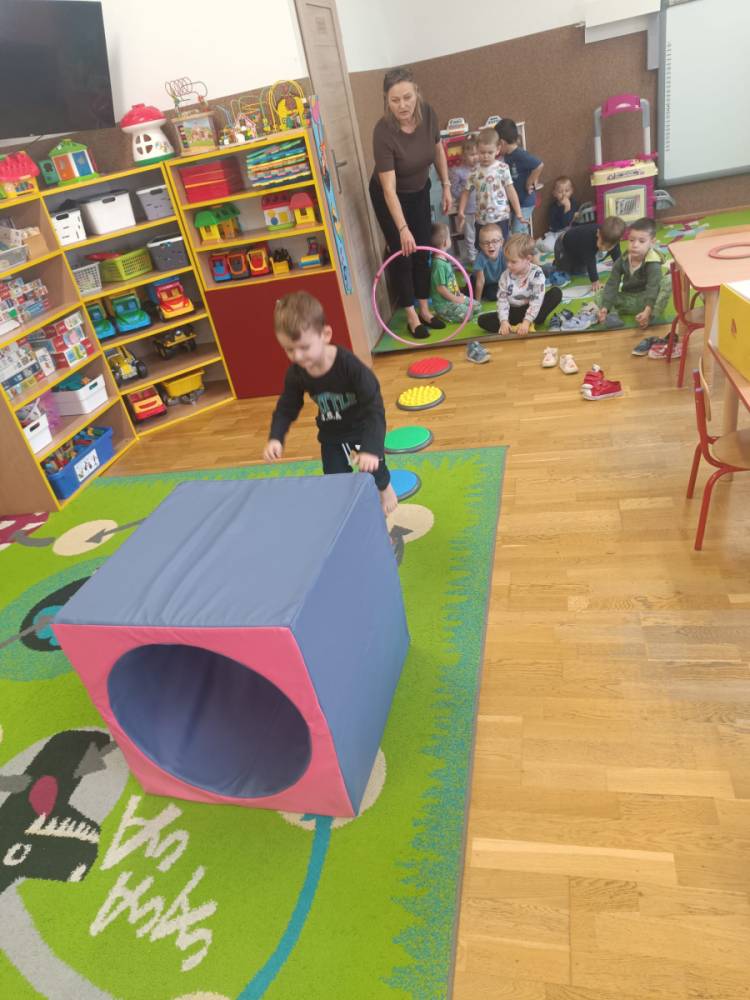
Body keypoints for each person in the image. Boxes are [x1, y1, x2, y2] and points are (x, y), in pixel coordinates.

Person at [263, 291, 398, 517]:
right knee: (334, 477)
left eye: (304, 347)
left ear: (325, 334)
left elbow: (374, 408)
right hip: (331, 432)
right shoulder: (297, 373)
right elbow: (287, 406)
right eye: (289, 349)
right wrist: (276, 437)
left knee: (373, 465)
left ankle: (385, 489)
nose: (297, 356)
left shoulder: (350, 367)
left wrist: (371, 449)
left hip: (362, 427)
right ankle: (348, 506)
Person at [369, 66, 452, 340]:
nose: (402, 105)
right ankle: (411, 315)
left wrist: (446, 185)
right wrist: (402, 229)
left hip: (419, 190)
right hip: (390, 196)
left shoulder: (428, 113)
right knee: (403, 251)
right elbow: (388, 189)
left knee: (423, 248)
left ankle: (425, 308)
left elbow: (438, 149)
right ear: (386, 100)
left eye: (407, 97)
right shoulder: (383, 132)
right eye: (394, 100)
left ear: (416, 93)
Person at [477, 233, 562, 335]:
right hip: (514, 311)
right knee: (482, 320)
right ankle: (517, 324)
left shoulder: (536, 273)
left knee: (556, 293)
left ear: (528, 259)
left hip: (533, 308)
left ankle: (532, 320)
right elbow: (502, 300)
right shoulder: (505, 275)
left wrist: (527, 321)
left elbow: (537, 300)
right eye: (507, 260)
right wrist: (504, 321)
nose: (508, 265)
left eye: (513, 262)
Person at [596, 217, 671, 330]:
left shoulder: (653, 263)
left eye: (641, 241)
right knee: (600, 293)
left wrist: (648, 310)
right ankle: (612, 316)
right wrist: (605, 308)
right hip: (627, 300)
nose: (635, 245)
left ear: (652, 242)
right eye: (631, 240)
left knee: (668, 280)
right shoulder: (622, 260)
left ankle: (650, 316)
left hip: (646, 301)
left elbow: (653, 288)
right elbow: (612, 283)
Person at [456, 128, 524, 244]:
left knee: (501, 245)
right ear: (477, 150)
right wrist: (461, 211)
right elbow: (466, 192)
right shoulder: (474, 172)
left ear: (497, 150)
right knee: (483, 245)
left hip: (501, 216)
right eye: (482, 152)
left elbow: (510, 190)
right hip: (482, 218)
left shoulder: (502, 168)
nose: (486, 156)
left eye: (490, 152)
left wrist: (518, 212)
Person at [495, 119, 543, 234]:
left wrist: (529, 182)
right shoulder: (507, 155)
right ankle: (525, 244)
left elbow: (539, 165)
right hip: (517, 202)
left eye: (497, 145)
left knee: (518, 230)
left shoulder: (520, 154)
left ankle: (525, 245)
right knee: (518, 230)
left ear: (502, 142)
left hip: (525, 201)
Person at [552, 216, 625, 291]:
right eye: (601, 243)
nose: (603, 248)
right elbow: (590, 261)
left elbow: (617, 258)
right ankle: (554, 266)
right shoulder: (588, 238)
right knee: (563, 274)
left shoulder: (613, 241)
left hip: (580, 251)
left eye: (607, 247)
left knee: (579, 271)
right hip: (564, 247)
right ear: (598, 233)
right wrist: (595, 280)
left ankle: (567, 264)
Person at [430, 222, 481, 324]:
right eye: (449, 237)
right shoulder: (439, 264)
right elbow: (441, 289)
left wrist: (458, 294)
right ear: (445, 242)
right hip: (444, 304)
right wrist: (455, 299)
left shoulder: (444, 259)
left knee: (477, 306)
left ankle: (458, 307)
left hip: (454, 297)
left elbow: (450, 281)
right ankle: (442, 313)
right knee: (468, 314)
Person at [448, 136, 479, 264]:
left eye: (477, 154)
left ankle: (483, 257)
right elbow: (453, 190)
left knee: (483, 234)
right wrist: (464, 194)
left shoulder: (482, 168)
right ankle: (472, 258)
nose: (475, 157)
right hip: (468, 210)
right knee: (470, 235)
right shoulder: (458, 171)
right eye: (472, 155)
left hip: (483, 209)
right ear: (464, 156)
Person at [537, 176, 579, 253]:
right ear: (554, 193)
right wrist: (567, 208)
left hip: (570, 233)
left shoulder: (574, 204)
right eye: (560, 192)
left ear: (572, 191)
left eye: (567, 191)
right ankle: (539, 243)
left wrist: (569, 208)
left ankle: (562, 248)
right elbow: (561, 224)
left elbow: (572, 223)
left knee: (575, 244)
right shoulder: (553, 208)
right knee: (547, 246)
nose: (564, 194)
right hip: (555, 233)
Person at [472, 223, 506, 301]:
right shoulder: (481, 258)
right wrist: (477, 302)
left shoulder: (505, 255)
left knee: (492, 294)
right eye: (486, 243)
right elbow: (480, 281)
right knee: (468, 293)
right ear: (481, 245)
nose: (490, 245)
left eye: (494, 241)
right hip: (479, 281)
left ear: (501, 242)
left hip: (495, 283)